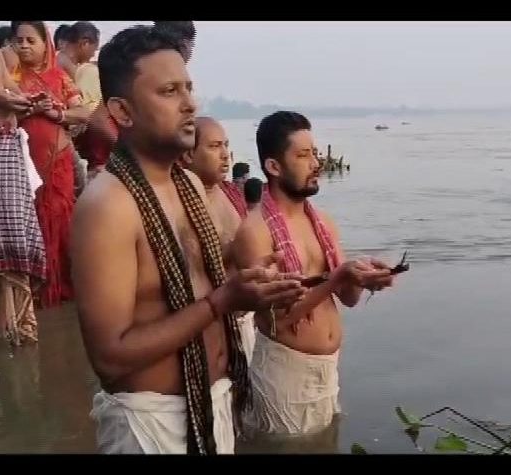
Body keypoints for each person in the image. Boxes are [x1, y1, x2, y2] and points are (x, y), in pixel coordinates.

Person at [71, 26, 306, 455]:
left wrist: (252, 283)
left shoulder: (191, 187)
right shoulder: (108, 206)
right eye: (168, 91)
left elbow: (196, 285)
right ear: (122, 111)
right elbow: (109, 357)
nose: (190, 104)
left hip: (215, 404)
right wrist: (221, 302)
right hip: (151, 423)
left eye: (189, 88)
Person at [234, 111, 398, 437]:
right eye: (303, 155)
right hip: (285, 373)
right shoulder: (254, 232)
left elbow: (348, 299)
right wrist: (337, 277)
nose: (316, 163)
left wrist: (365, 277)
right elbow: (276, 320)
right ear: (274, 166)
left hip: (329, 369)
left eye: (315, 153)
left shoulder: (323, 222)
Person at [11, 21, 90, 308]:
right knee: (27, 224)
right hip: (19, 169)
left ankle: (64, 292)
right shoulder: (9, 76)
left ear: (46, 44)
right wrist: (23, 109)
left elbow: (83, 112)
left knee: (59, 221)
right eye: (19, 40)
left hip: (57, 165)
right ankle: (32, 294)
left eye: (31, 40)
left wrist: (56, 112)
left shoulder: (59, 77)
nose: (24, 46)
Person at [181, 116, 255, 363]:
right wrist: (237, 248)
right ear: (188, 155)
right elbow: (192, 268)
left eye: (226, 145)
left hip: (244, 318)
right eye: (214, 146)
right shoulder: (182, 202)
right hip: (211, 323)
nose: (225, 155)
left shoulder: (228, 192)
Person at [0, 44, 46, 346]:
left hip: (6, 150)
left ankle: (12, 334)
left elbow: (6, 85)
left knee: (12, 240)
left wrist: (26, 99)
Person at [69, 21, 117, 180]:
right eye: (93, 49)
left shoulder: (79, 68)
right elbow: (94, 117)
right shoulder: (89, 72)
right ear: (84, 43)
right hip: (100, 166)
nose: (93, 54)